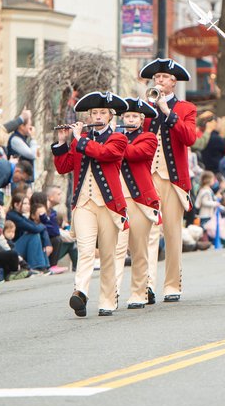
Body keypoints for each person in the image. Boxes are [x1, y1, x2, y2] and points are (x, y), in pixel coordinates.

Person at [52, 91, 129, 317]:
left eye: (102, 112)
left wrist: (80, 140)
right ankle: (81, 292)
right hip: (83, 202)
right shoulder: (80, 139)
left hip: (109, 204)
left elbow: (105, 154)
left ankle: (107, 300)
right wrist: (62, 142)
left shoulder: (118, 138)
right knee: (85, 250)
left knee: (107, 254)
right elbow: (64, 167)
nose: (97, 116)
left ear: (110, 116)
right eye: (94, 113)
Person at [140, 58, 198, 303]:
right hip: (148, 176)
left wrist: (167, 112)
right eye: (157, 77)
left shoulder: (185, 108)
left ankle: (172, 285)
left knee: (173, 233)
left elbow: (189, 138)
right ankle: (147, 284)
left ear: (173, 82)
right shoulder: (144, 108)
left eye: (163, 77)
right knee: (150, 232)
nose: (159, 80)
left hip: (173, 179)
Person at [116, 98, 161, 309]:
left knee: (139, 249)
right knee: (116, 248)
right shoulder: (116, 137)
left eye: (134, 116)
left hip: (140, 200)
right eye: (127, 116)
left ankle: (139, 292)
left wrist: (113, 141)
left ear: (142, 120)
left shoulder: (149, 138)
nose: (130, 119)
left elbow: (135, 154)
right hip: (116, 199)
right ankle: (112, 291)